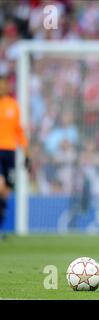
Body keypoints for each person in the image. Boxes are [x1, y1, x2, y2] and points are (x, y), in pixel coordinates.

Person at [0, 76, 29, 238]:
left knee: (6, 192)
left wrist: (27, 154)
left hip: (10, 152)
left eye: (4, 85)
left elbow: (19, 131)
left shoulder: (13, 105)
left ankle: (0, 227)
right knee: (0, 184)